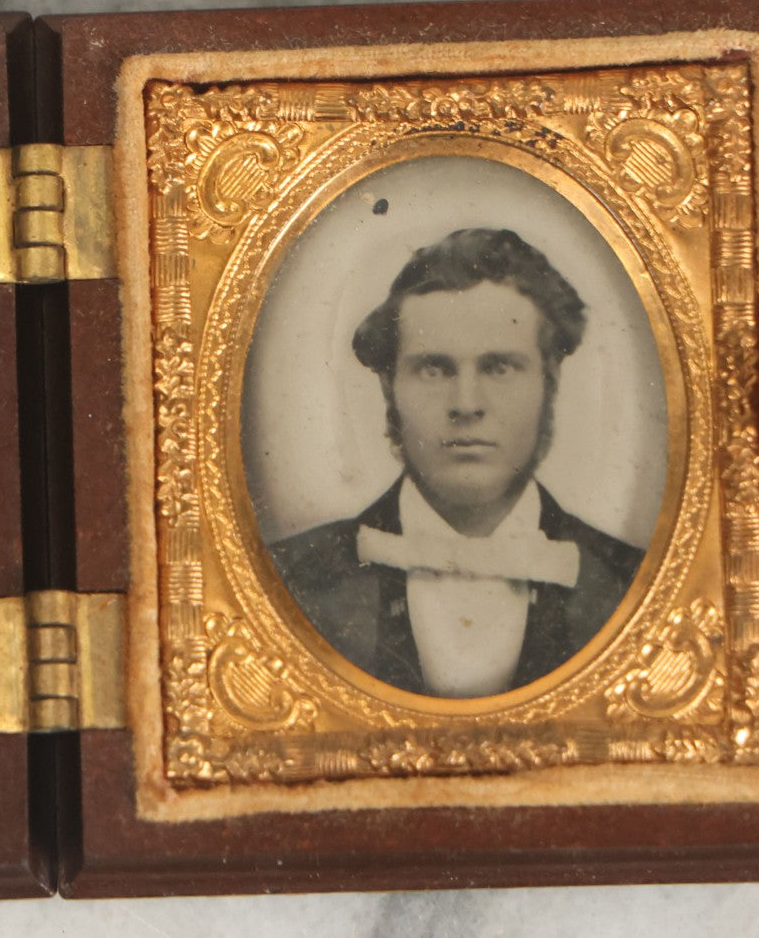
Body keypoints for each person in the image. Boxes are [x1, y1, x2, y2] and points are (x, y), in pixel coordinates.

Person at [268, 228, 643, 699]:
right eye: (434, 369)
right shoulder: (290, 577)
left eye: (499, 368)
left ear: (549, 382)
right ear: (390, 388)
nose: (467, 404)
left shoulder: (630, 582)